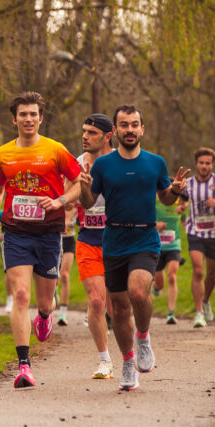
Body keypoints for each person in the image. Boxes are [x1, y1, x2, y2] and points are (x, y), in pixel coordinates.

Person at [80, 105, 190, 391]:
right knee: (118, 309)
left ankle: (143, 337)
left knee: (138, 292)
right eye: (124, 125)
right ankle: (128, 363)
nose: (129, 130)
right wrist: (84, 186)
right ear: (115, 131)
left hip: (145, 237)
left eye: (134, 124)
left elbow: (165, 198)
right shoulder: (103, 165)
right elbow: (88, 203)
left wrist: (175, 190)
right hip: (114, 238)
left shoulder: (155, 163)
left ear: (142, 129)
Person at [0, 92, 82, 388]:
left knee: (44, 302)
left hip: (49, 234)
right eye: (23, 114)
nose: (28, 119)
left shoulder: (55, 150)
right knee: (20, 295)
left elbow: (78, 183)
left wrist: (60, 201)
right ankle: (24, 365)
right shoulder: (2, 154)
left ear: (40, 118)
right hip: (15, 233)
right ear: (14, 119)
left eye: (33, 114)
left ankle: (44, 315)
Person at [75, 113, 117, 380]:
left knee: (121, 304)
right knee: (96, 300)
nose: (85, 136)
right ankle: (105, 361)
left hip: (118, 238)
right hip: (88, 239)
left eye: (91, 132)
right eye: (84, 131)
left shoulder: (121, 161)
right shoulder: (76, 164)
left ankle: (133, 349)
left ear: (107, 136)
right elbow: (66, 194)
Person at [176, 147, 215, 327]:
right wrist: (181, 208)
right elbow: (182, 200)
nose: (204, 166)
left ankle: (206, 300)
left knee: (211, 274)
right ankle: (199, 313)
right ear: (196, 164)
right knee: (198, 271)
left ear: (212, 164)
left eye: (207, 163)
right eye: (201, 163)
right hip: (195, 232)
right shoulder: (189, 183)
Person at [154, 199, 184, 325]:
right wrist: (155, 225)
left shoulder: (179, 205)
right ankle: (156, 287)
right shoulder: (155, 203)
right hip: (158, 247)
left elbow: (185, 222)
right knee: (160, 285)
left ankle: (171, 312)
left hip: (174, 246)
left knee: (172, 276)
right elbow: (145, 220)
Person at [55, 202, 78, 326]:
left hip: (68, 241)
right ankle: (54, 291)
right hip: (53, 240)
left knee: (64, 275)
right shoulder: (55, 201)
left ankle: (62, 314)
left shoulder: (77, 205)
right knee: (54, 276)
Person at [0, 224, 15, 312]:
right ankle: (10, 299)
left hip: (27, 243)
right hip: (9, 244)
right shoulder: (2, 215)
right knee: (10, 272)